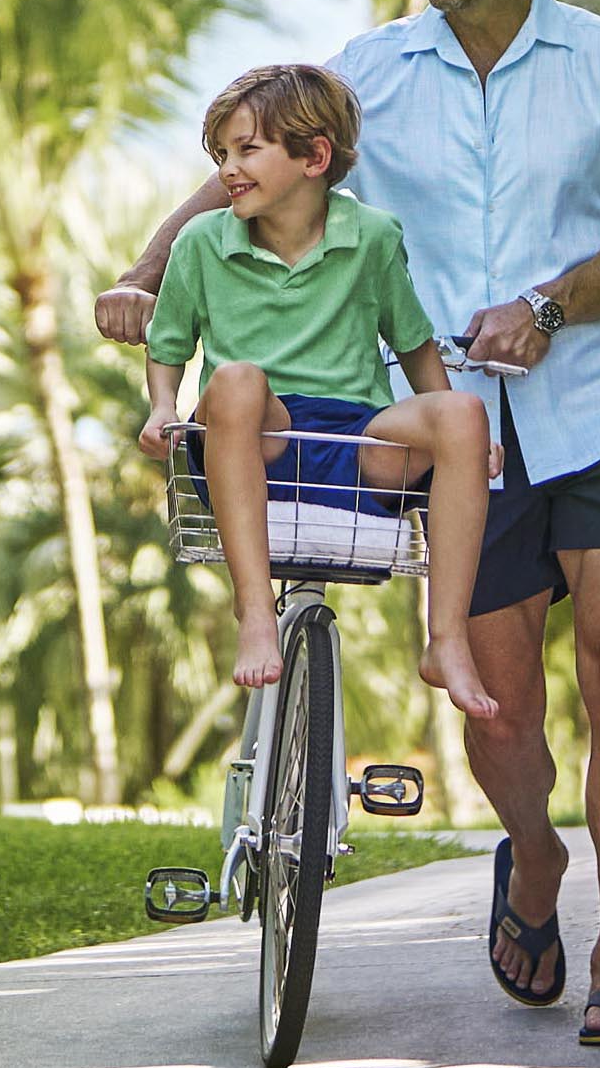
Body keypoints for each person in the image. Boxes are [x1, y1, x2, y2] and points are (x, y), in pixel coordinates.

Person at [102, 0, 600, 1049]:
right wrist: (146, 264)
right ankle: (531, 858)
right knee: (501, 712)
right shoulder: (369, 70)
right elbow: (252, 169)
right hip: (448, 438)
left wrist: (549, 304)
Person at [137, 61, 500, 726]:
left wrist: (466, 440)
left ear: (315, 156)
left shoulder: (373, 238)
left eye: (247, 149)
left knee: (465, 412)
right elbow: (168, 349)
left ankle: (447, 640)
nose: (228, 168)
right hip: (253, 439)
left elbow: (416, 347)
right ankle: (255, 612)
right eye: (221, 153)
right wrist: (163, 406)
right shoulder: (200, 243)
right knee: (239, 379)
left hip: (356, 443)